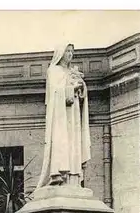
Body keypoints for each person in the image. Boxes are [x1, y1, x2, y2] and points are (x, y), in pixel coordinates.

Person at [36, 43, 91, 189]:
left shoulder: (71, 71)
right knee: (61, 141)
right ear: (60, 52)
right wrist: (71, 88)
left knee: (73, 142)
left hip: (73, 116)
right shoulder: (53, 70)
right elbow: (55, 92)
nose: (70, 54)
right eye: (67, 51)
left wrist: (81, 88)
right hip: (60, 116)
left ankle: (73, 177)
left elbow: (80, 94)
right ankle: (58, 174)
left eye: (72, 51)